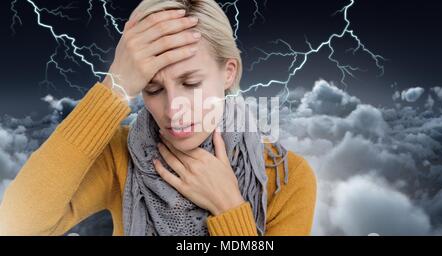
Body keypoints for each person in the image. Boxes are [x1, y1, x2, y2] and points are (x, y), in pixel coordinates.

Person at [0, 0, 316, 236]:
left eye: (191, 83)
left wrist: (229, 208)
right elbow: (16, 225)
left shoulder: (288, 179)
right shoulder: (120, 156)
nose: (173, 108)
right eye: (152, 88)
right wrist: (114, 86)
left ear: (228, 72)